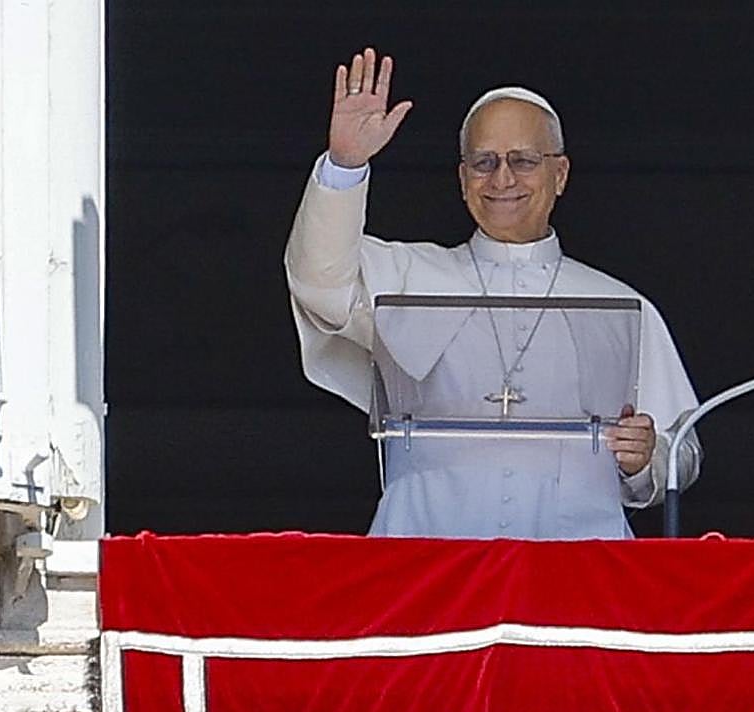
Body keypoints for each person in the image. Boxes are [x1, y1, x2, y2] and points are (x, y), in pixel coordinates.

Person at [285, 47, 701, 538]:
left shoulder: (621, 306)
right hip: (426, 546)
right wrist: (345, 164)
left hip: (578, 554)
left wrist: (643, 456)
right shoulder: (406, 277)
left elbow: (681, 452)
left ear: (560, 174)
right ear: (463, 180)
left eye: (523, 161)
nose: (502, 179)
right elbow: (319, 282)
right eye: (484, 162)